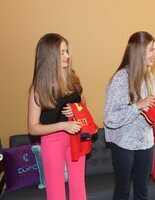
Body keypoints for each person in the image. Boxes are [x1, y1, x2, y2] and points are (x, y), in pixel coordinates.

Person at [28, 33, 87, 200]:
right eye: (62, 52)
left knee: (78, 187)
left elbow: (83, 104)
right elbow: (32, 128)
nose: (67, 56)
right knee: (55, 191)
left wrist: (76, 110)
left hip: (76, 136)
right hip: (52, 141)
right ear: (49, 56)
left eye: (66, 51)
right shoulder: (38, 88)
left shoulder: (73, 78)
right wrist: (63, 126)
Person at [104, 31, 155, 200]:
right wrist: (138, 105)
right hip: (124, 144)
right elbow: (110, 118)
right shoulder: (121, 78)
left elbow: (147, 110)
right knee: (122, 192)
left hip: (146, 142)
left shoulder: (149, 77)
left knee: (142, 192)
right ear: (138, 51)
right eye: (151, 50)